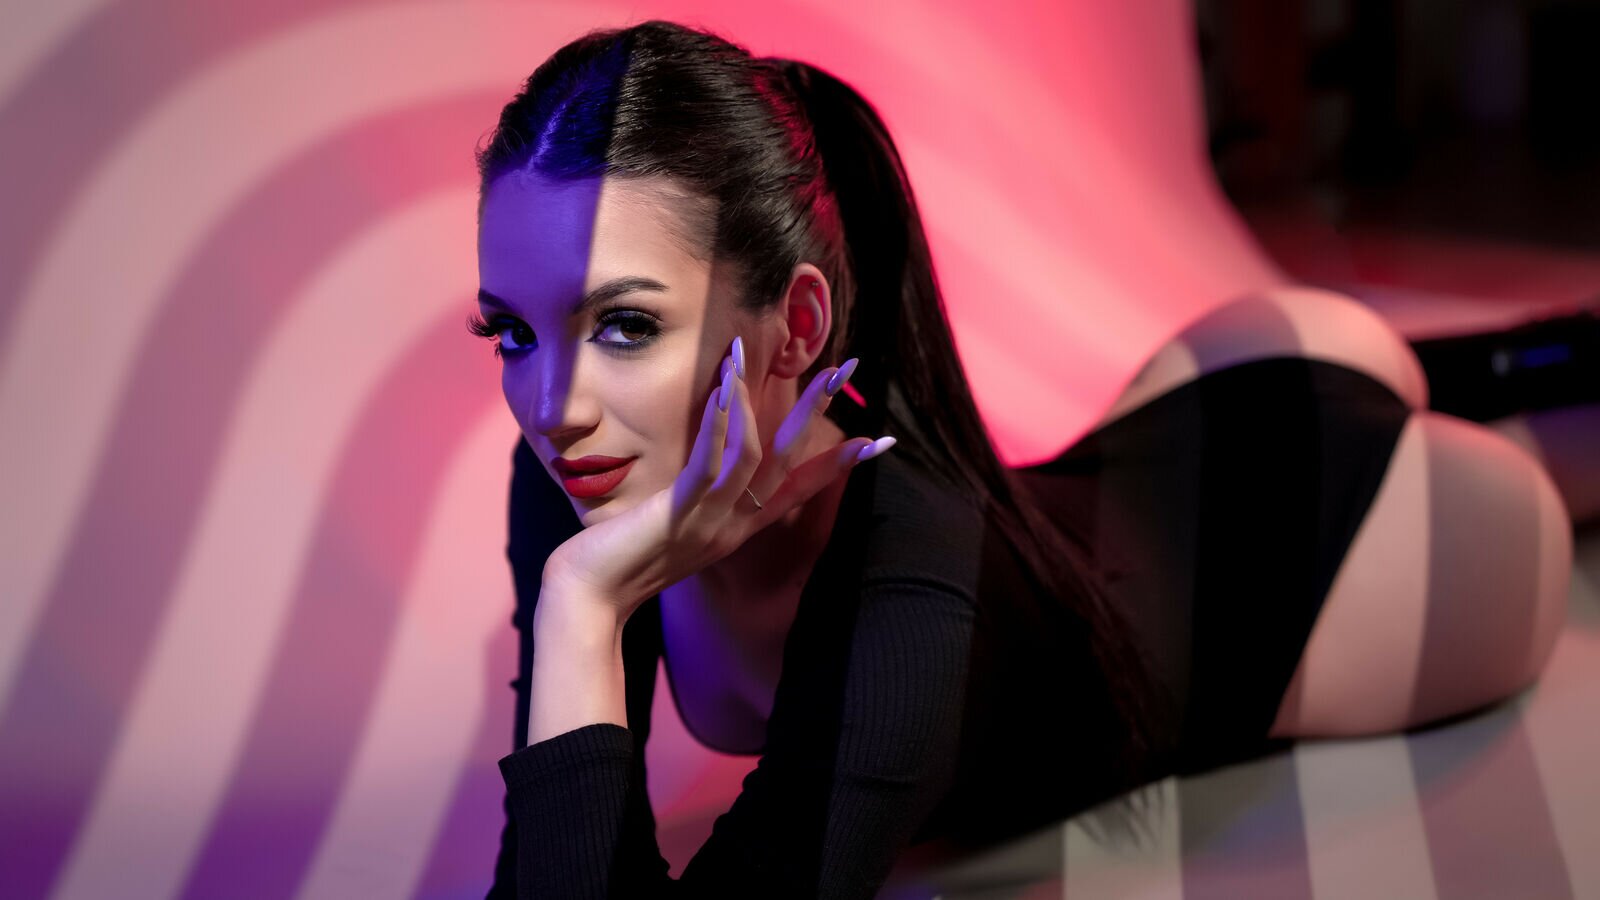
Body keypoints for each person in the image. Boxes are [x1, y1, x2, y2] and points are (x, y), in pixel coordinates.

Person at [468, 20, 1567, 899]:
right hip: (1188, 415)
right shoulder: (583, 474)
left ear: (797, 329)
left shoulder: (897, 558)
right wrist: (580, 605)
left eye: (625, 325)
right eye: (513, 332)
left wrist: (581, 610)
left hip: (1327, 562)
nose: (552, 407)